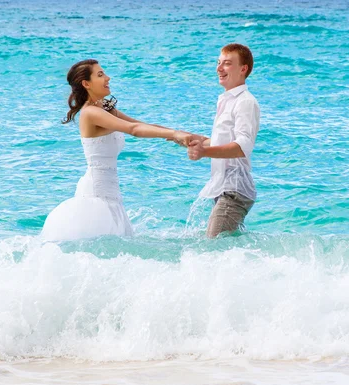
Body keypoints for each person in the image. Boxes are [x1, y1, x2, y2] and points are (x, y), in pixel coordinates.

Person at [41, 59, 192, 241]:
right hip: (97, 195)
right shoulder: (90, 112)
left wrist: (179, 136)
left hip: (111, 193)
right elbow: (133, 130)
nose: (107, 77)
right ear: (86, 84)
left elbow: (140, 124)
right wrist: (175, 134)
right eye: (100, 75)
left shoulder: (104, 108)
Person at [187, 44, 260, 238]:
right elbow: (225, 139)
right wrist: (201, 142)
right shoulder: (226, 100)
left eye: (227, 64)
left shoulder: (245, 101)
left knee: (211, 245)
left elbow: (243, 146)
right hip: (225, 186)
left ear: (243, 69)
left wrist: (204, 152)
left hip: (235, 190)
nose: (219, 68)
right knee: (223, 245)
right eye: (218, 63)